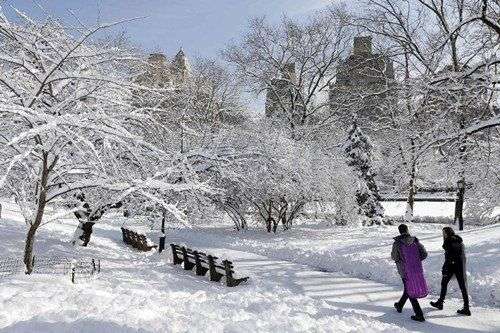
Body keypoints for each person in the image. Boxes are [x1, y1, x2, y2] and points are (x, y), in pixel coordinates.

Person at [430, 227, 471, 316]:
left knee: (444, 283)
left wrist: (445, 267)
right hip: (459, 265)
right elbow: (461, 254)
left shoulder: (448, 240)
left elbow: (449, 256)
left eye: (444, 232)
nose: (443, 234)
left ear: (447, 233)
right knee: (462, 286)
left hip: (451, 266)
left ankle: (440, 303)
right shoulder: (459, 240)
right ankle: (466, 307)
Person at [392, 224, 428, 322]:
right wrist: (415, 261)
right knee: (408, 289)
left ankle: (419, 314)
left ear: (399, 231)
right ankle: (399, 305)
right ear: (407, 230)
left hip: (405, 271)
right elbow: (424, 254)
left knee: (410, 290)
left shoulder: (397, 243)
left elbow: (394, 257)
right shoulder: (415, 241)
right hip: (416, 270)